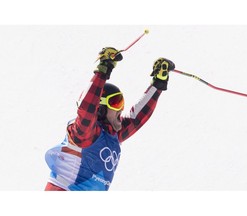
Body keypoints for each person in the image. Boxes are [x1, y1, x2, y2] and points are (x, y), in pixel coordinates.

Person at [44, 47, 175, 191]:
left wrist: (158, 83)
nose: (121, 109)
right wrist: (103, 70)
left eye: (121, 102)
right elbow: (86, 109)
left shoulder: (113, 134)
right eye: (115, 102)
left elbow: (137, 118)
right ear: (100, 108)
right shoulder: (84, 134)